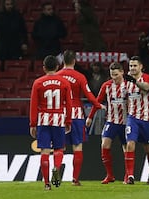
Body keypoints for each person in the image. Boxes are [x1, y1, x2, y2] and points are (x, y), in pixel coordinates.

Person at [55, 50, 105, 186]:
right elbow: (89, 95)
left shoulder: (57, 76)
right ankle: (75, 180)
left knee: (59, 147)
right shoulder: (80, 76)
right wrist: (98, 105)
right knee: (77, 146)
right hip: (76, 114)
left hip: (60, 114)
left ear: (63, 61)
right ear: (74, 61)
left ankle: (56, 169)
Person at [29, 55, 72, 190]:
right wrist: (68, 121)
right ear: (57, 67)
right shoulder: (65, 83)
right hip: (58, 119)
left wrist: (33, 123)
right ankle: (56, 168)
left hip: (43, 119)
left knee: (45, 151)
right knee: (59, 149)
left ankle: (47, 184)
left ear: (44, 68)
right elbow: (69, 104)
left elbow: (33, 105)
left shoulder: (38, 82)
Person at [86, 62, 131, 184]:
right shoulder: (106, 86)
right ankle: (110, 175)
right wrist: (90, 117)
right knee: (105, 145)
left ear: (122, 72)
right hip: (111, 121)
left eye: (116, 74)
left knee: (126, 149)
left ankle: (128, 175)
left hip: (126, 122)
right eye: (112, 75)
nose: (114, 77)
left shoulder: (128, 86)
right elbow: (97, 101)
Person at [124, 56, 149, 185]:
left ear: (141, 66)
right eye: (130, 66)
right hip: (132, 118)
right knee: (130, 144)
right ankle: (130, 176)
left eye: (134, 66)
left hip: (147, 118)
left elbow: (147, 87)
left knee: (148, 148)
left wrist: (134, 81)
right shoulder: (127, 81)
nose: (132, 68)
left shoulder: (146, 77)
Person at [0, 0, 28, 64]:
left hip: (15, 45)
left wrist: (24, 42)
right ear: (4, 5)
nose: (9, 6)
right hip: (2, 46)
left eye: (11, 4)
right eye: (7, 4)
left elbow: (23, 31)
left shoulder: (18, 16)